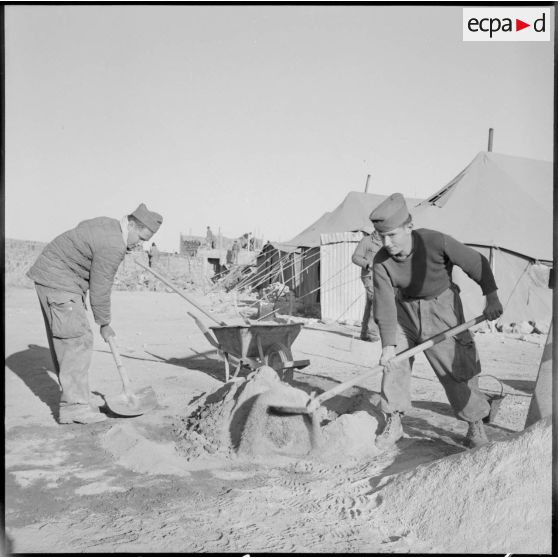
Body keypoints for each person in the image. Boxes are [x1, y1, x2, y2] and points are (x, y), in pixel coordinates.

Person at [369, 193, 503, 450]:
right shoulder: (381, 262)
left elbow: (477, 263)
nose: (387, 243)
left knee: (456, 369)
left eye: (392, 235)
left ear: (409, 227)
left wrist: (492, 297)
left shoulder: (435, 241)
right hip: (403, 310)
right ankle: (394, 420)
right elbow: (384, 303)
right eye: (381, 236)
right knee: (394, 364)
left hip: (441, 308)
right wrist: (388, 345)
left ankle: (474, 422)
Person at [27, 203, 163, 424]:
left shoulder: (109, 225)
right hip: (60, 280)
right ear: (130, 224)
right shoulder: (114, 245)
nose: (140, 244)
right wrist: (104, 323)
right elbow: (101, 286)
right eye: (140, 237)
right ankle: (74, 407)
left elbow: (82, 227)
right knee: (77, 340)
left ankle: (76, 397)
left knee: (68, 339)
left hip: (53, 276)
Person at [351, 225, 382, 342]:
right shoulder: (366, 241)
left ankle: (364, 334)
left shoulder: (387, 241)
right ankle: (373, 334)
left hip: (381, 277)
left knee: (370, 304)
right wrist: (367, 264)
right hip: (369, 275)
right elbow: (355, 257)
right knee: (376, 300)